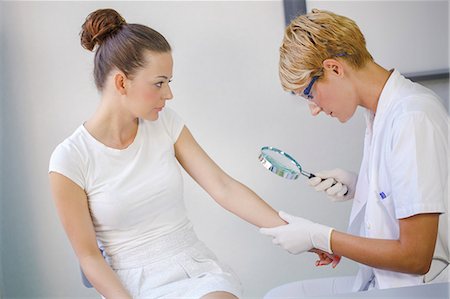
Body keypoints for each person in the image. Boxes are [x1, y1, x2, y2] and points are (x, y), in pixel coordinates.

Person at [48, 8, 290, 299]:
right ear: (122, 83)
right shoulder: (70, 159)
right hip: (129, 286)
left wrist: (297, 232)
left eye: (168, 83)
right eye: (159, 83)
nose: (168, 95)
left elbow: (223, 187)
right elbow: (88, 258)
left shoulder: (166, 123)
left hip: (194, 269)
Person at [260, 8, 449, 297]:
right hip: (385, 282)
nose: (314, 109)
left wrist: (322, 237)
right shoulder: (380, 113)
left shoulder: (412, 116)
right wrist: (362, 186)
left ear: (334, 68)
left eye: (309, 94)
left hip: (422, 289)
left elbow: (415, 257)